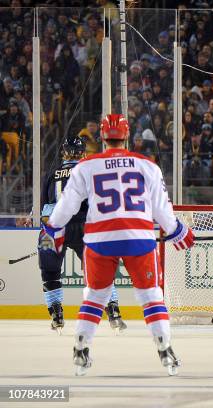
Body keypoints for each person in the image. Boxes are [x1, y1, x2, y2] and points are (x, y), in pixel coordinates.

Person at [42, 114, 194, 376]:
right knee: (151, 296)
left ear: (101, 137)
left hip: (100, 240)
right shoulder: (147, 165)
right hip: (139, 238)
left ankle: (81, 350)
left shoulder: (87, 166)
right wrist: (176, 230)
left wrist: (52, 228)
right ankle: (165, 349)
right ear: (127, 135)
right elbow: (160, 207)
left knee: (95, 297)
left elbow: (66, 206)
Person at [38, 136, 126, 334]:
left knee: (49, 270)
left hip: (54, 227)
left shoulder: (52, 173)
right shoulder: (91, 171)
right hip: (86, 227)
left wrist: (44, 234)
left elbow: (45, 209)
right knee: (101, 271)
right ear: (83, 153)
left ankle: (57, 315)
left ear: (64, 152)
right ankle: (113, 312)